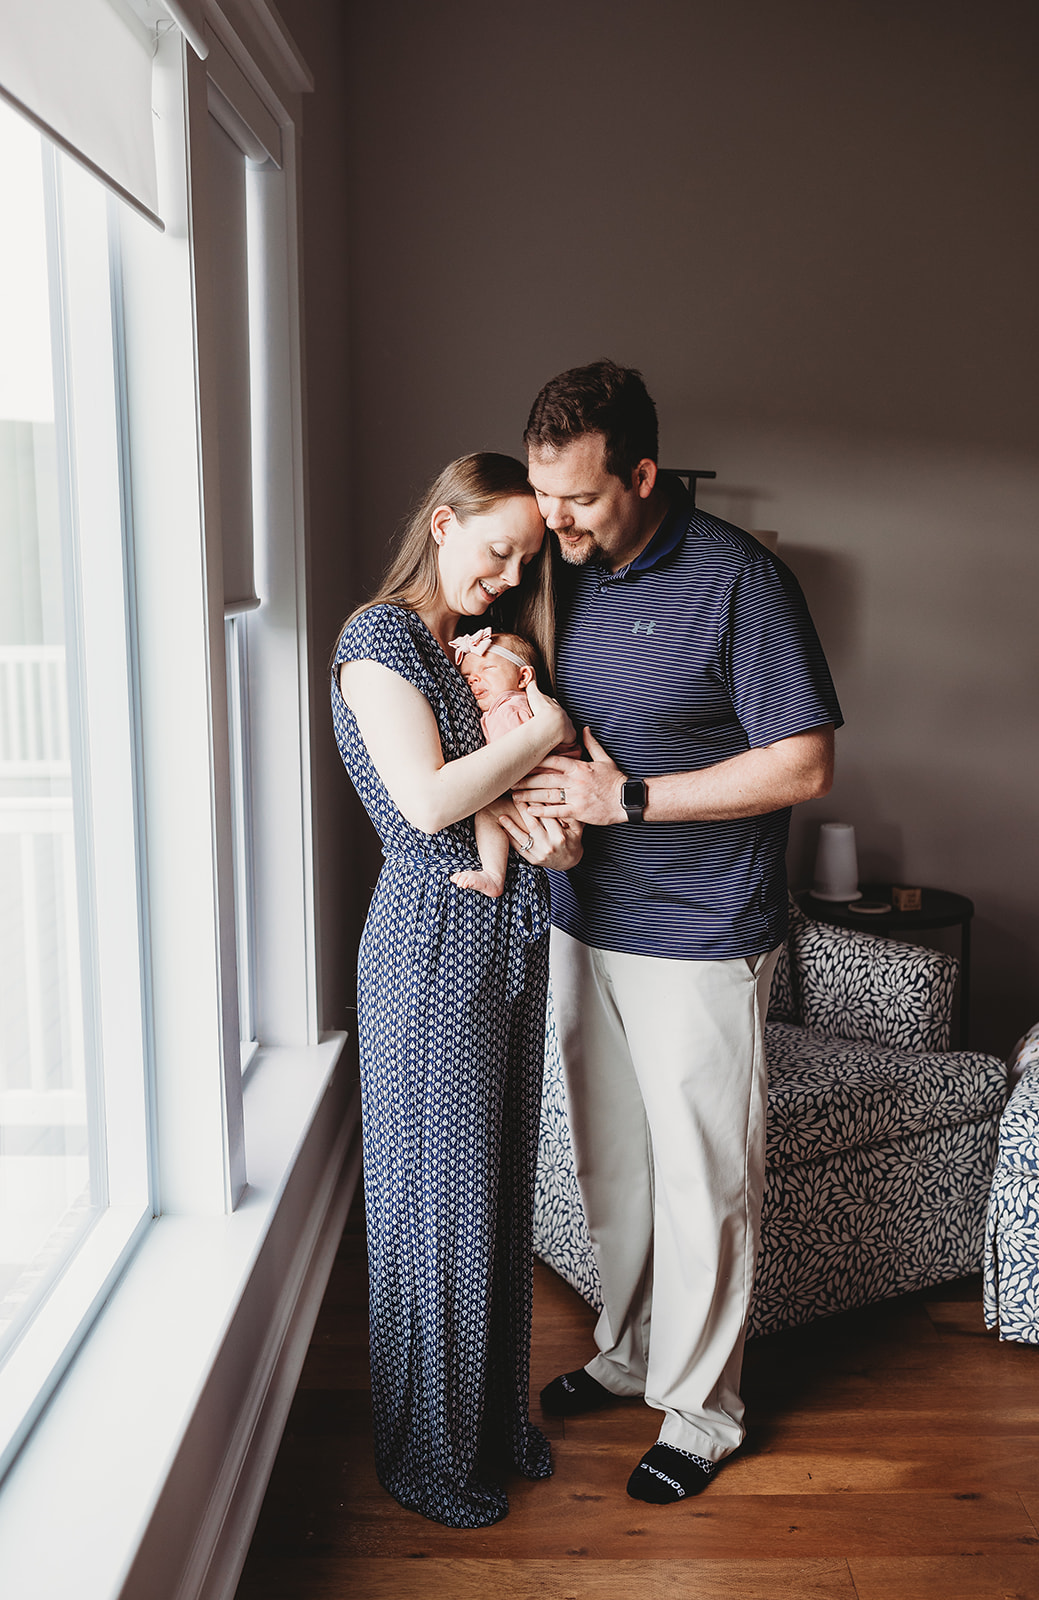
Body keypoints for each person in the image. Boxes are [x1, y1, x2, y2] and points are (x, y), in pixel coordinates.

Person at [512, 360, 843, 1505]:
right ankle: (631, 1348)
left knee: (703, 1179)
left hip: (699, 933)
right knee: (617, 1166)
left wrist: (632, 800)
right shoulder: (567, 572)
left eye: (580, 500)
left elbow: (802, 759)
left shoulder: (739, 580)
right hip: (580, 919)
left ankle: (702, 1409)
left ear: (643, 475)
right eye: (544, 499)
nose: (554, 522)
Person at [331, 452, 582, 1528]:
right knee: (436, 1208)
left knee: (493, 1199)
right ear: (442, 524)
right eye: (495, 550)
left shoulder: (471, 649)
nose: (508, 573)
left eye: (524, 559)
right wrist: (539, 731)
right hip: (429, 948)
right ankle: (427, 1454)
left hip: (504, 942)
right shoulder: (377, 639)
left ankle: (483, 1425)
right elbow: (430, 802)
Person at [449, 626, 582, 898]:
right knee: (492, 812)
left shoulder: (510, 709)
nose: (474, 680)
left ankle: (493, 875)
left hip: (551, 806)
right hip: (552, 805)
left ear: (523, 677)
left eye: (487, 669)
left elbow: (506, 766)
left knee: (487, 810)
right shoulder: (509, 708)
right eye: (468, 677)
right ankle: (493, 876)